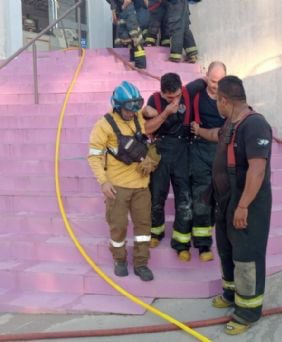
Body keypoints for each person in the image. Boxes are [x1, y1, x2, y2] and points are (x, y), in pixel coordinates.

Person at [190, 76, 273, 335]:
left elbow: (257, 170)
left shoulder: (256, 125)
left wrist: (244, 206)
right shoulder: (231, 124)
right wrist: (199, 131)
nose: (216, 105)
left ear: (224, 100)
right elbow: (217, 135)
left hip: (247, 203)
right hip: (226, 201)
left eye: (217, 101)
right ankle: (230, 292)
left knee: (247, 255)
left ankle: (248, 311)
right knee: (226, 248)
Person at [87, 81, 158, 282]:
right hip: (117, 188)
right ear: (118, 106)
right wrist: (103, 182)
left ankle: (141, 263)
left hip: (142, 186)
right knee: (118, 226)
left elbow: (148, 138)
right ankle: (119, 260)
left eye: (135, 108)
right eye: (128, 109)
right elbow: (94, 156)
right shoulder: (103, 125)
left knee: (143, 228)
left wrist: (151, 160)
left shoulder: (137, 117)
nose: (132, 113)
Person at [143, 73, 194, 262]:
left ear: (181, 88)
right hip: (161, 151)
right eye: (169, 97)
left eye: (176, 96)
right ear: (162, 92)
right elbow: (147, 129)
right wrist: (165, 113)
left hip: (184, 151)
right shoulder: (154, 100)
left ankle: (181, 243)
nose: (173, 100)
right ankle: (156, 233)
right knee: (156, 195)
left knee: (185, 199)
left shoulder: (190, 93)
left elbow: (209, 80)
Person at [185, 61, 227, 262]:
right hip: (199, 150)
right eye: (212, 80)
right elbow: (185, 91)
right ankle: (203, 245)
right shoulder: (197, 94)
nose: (215, 85)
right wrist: (199, 82)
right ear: (206, 76)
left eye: (220, 81)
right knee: (201, 195)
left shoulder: (228, 99)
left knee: (218, 196)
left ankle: (207, 230)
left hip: (221, 152)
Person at [107, 0, 147, 69]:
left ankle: (141, 65)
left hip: (128, 9)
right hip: (121, 9)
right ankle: (136, 63)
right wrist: (113, 9)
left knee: (135, 36)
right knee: (127, 37)